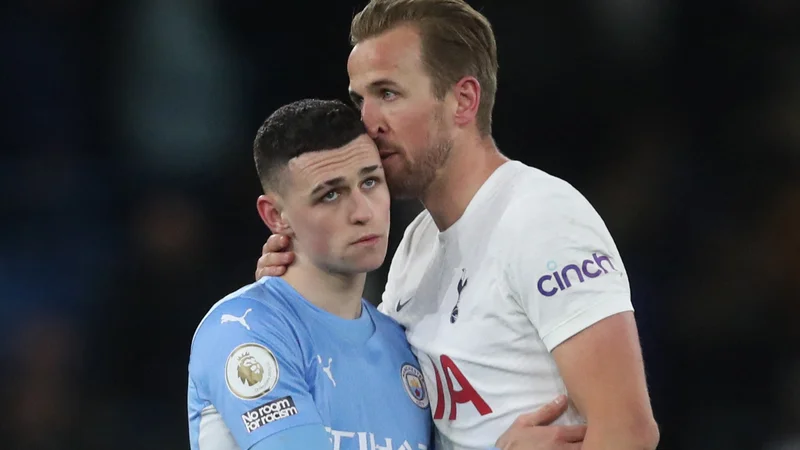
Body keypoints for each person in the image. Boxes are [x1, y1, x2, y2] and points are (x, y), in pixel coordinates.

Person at [255, 1, 660, 449]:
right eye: (360, 99)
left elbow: (629, 432)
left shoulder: (541, 219)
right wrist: (300, 293)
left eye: (388, 94)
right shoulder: (416, 244)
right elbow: (374, 408)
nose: (367, 123)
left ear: (463, 100)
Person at [187, 99, 433, 450]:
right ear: (275, 216)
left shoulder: (404, 345)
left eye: (370, 182)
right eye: (330, 195)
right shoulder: (244, 329)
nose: (363, 212)